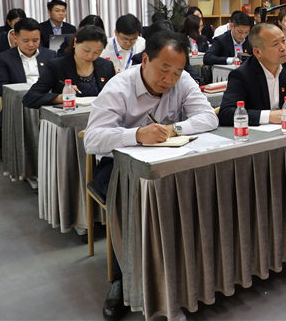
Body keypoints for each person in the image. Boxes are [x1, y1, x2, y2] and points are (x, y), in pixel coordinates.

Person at [84, 30, 218, 321]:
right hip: (117, 166)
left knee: (203, 187)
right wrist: (136, 135)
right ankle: (122, 280)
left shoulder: (183, 80)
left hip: (166, 160)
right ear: (145, 60)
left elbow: (209, 117)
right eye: (164, 69)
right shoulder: (119, 87)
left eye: (177, 72)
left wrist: (173, 129)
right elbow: (92, 139)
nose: (169, 80)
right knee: (131, 201)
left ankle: (190, 271)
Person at [218, 22, 286, 126]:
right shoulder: (242, 74)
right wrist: (269, 116)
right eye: (275, 44)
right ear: (258, 52)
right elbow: (226, 113)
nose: (283, 48)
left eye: (283, 41)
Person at [23, 26, 115, 108]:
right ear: (75, 42)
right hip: (68, 118)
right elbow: (30, 98)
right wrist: (60, 98)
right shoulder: (57, 66)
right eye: (86, 50)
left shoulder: (107, 66)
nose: (90, 56)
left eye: (97, 52)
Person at [0, 18, 56, 96]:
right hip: (20, 100)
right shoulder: (3, 58)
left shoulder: (50, 55)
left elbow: (59, 82)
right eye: (26, 41)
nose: (31, 45)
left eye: (35, 40)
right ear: (15, 38)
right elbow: (1, 89)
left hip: (47, 100)